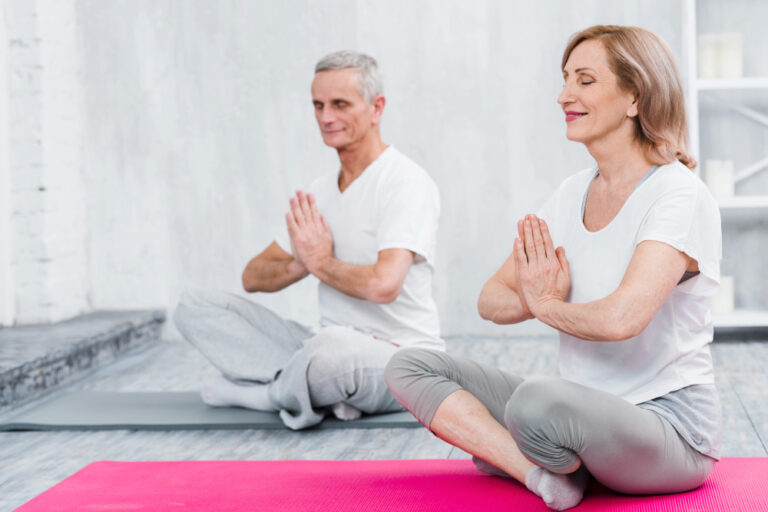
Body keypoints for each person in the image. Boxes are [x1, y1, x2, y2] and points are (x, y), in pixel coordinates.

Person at [385, 25, 721, 511]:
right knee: (410, 365)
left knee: (534, 404)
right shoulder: (570, 195)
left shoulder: (678, 195)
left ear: (634, 97)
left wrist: (544, 304)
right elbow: (489, 299)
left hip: (669, 431)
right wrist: (537, 299)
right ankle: (540, 474)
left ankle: (524, 447)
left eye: (585, 80)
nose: (565, 95)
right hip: (577, 409)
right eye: (565, 79)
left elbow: (621, 319)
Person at [175, 50, 442, 430]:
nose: (326, 118)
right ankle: (322, 392)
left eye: (339, 104)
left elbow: (384, 285)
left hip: (400, 357)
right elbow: (253, 277)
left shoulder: (405, 182)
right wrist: (301, 262)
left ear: (376, 107)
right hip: (321, 344)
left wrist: (321, 264)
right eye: (318, 105)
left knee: (331, 354)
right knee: (195, 306)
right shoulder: (320, 192)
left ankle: (266, 396)